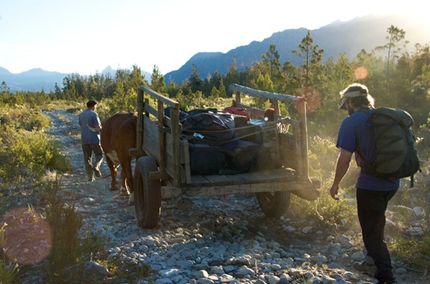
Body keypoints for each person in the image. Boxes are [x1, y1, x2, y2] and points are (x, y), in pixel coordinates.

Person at [329, 83, 399, 284]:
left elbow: (344, 158)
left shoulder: (352, 122)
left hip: (371, 184)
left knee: (371, 232)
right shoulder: (381, 117)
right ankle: (370, 262)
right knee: (377, 221)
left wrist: (335, 184)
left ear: (350, 102)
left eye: (346, 104)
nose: (346, 109)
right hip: (393, 182)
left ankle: (386, 275)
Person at [78, 100, 103, 181]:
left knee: (87, 158)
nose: (96, 108)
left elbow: (81, 125)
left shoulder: (81, 114)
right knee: (99, 154)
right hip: (94, 139)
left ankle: (90, 177)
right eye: (95, 106)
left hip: (84, 139)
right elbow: (97, 127)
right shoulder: (94, 114)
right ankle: (96, 166)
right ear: (93, 106)